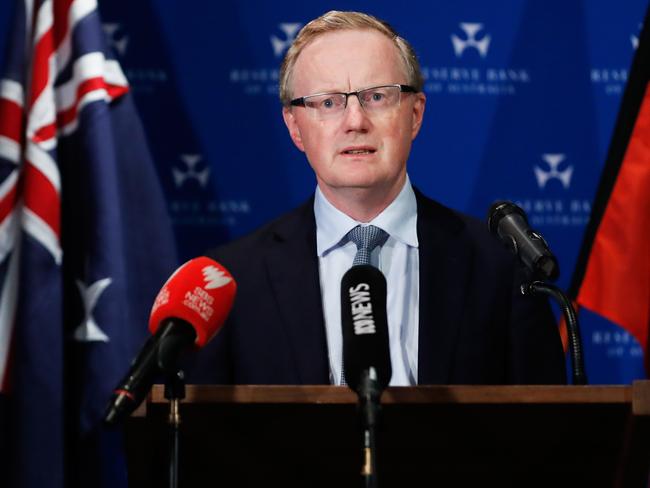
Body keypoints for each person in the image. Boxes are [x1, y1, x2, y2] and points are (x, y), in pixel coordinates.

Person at [192, 10, 566, 385]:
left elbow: (548, 427)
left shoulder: (501, 269)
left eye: (376, 97)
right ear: (295, 127)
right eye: (328, 102)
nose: (355, 121)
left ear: (415, 114)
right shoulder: (234, 282)